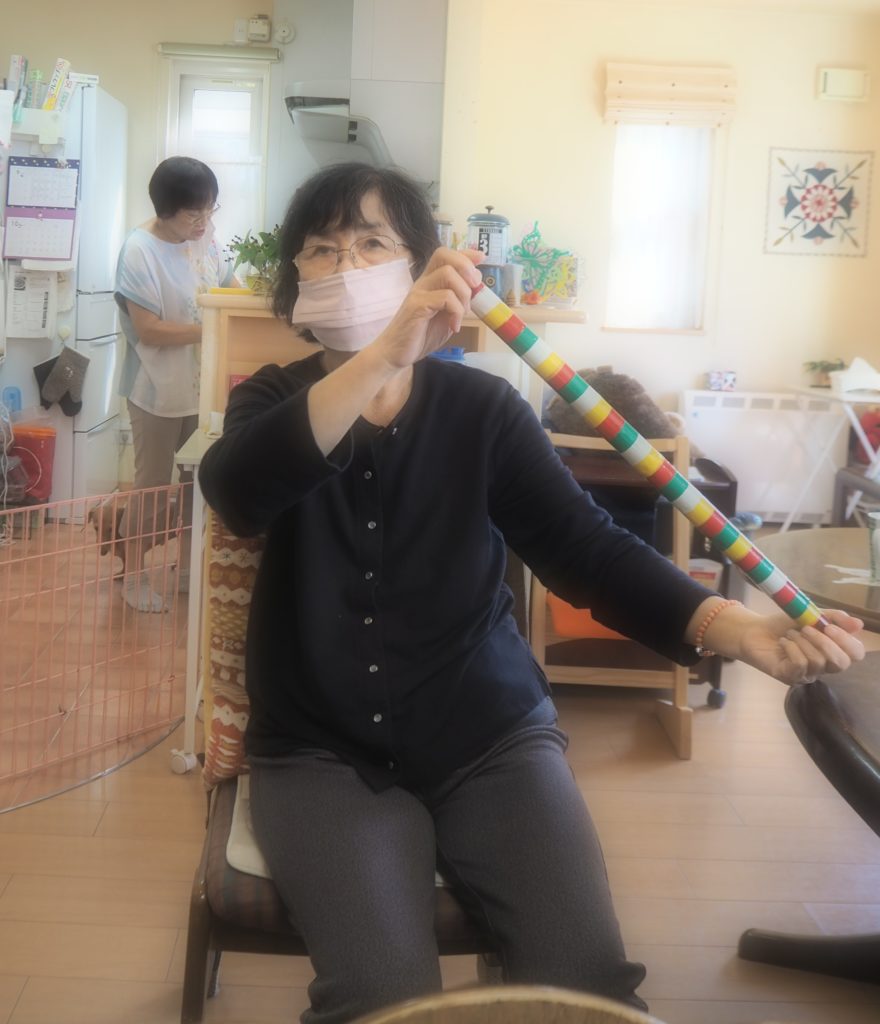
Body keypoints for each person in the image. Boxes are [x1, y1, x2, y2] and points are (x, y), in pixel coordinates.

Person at [198, 162, 865, 1024]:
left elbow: (586, 548)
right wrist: (381, 356)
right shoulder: (267, 401)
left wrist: (733, 627)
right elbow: (238, 491)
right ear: (297, 282)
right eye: (323, 250)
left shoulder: (483, 410)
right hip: (320, 756)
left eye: (372, 243)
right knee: (381, 999)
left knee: (587, 985)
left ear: (420, 267)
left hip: (491, 738)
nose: (347, 264)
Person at [115, 156, 236, 611]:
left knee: (196, 485)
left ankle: (187, 572)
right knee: (151, 488)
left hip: (201, 388)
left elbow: (229, 287)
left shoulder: (205, 239)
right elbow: (148, 330)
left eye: (210, 210)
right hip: (155, 389)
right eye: (193, 214)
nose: (204, 222)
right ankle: (133, 577)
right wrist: (212, 328)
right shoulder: (139, 251)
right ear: (165, 211)